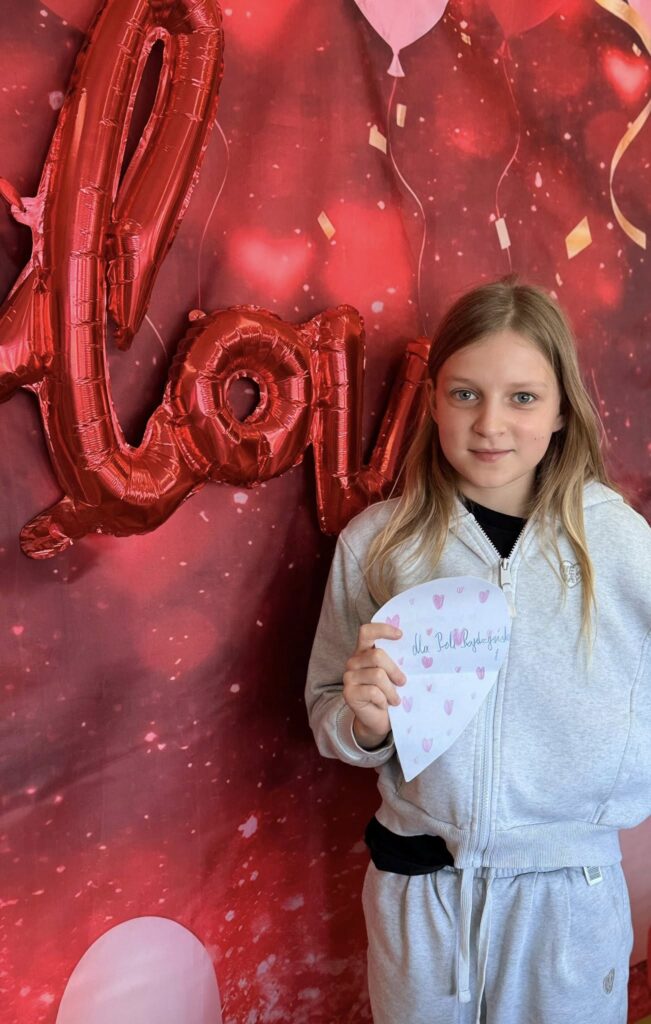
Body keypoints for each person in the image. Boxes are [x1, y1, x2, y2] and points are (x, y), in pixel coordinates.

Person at [305, 279, 651, 1024]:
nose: (490, 424)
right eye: (465, 394)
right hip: (420, 894)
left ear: (562, 409)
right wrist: (364, 724)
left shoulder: (622, 545)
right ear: (433, 400)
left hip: (568, 900)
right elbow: (328, 706)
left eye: (522, 397)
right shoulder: (379, 544)